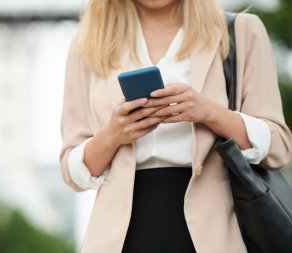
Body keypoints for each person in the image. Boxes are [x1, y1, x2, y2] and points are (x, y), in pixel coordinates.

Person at [59, 0, 292, 252]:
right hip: (119, 236)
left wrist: (209, 112)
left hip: (217, 231)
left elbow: (278, 146)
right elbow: (72, 171)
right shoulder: (89, 44)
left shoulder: (241, 31)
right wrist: (112, 135)